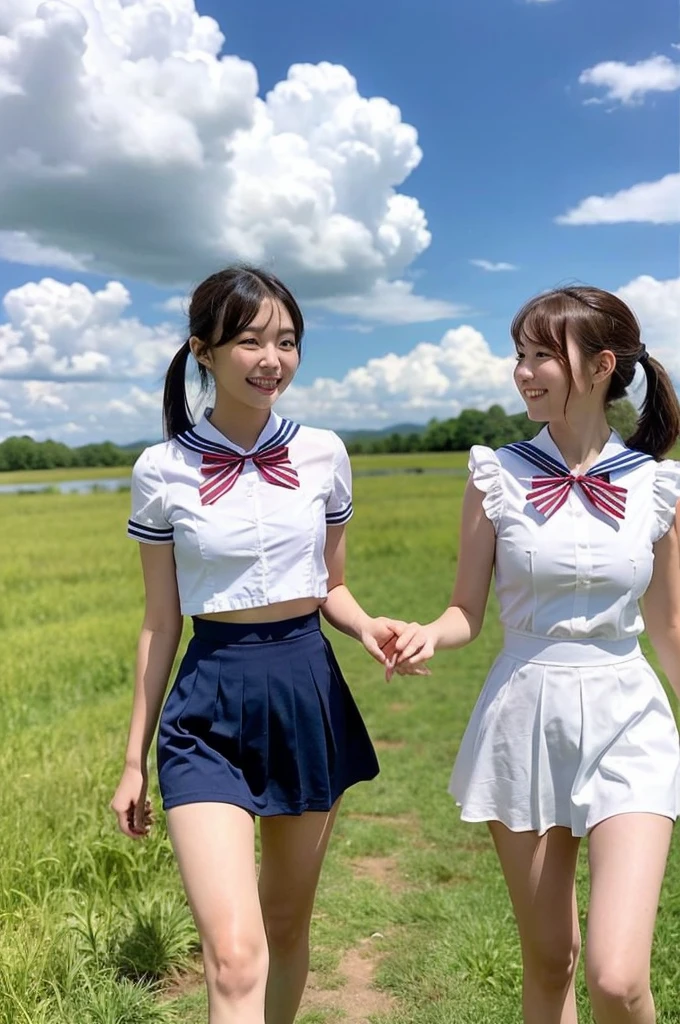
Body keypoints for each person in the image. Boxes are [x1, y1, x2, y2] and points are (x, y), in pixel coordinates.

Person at [110, 265, 404, 1024]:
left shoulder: (325, 454)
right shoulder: (162, 469)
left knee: (284, 926)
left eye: (287, 341)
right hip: (206, 707)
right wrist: (132, 759)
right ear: (203, 352)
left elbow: (330, 585)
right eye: (249, 341)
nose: (272, 358)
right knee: (236, 952)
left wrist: (367, 625)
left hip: (305, 691)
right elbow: (159, 621)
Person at [389, 285, 680, 1024]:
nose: (523, 371)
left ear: (601, 366)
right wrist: (430, 632)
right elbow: (466, 610)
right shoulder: (496, 476)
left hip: (630, 718)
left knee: (617, 976)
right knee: (552, 960)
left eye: (543, 354)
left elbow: (670, 627)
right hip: (524, 717)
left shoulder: (654, 486)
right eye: (520, 354)